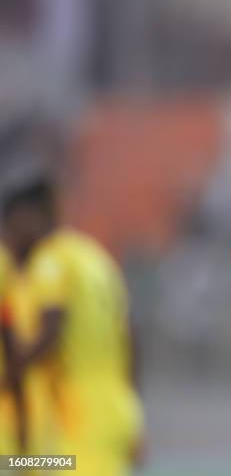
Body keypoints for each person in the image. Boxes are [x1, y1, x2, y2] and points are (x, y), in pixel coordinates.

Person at [0, 178, 143, 475]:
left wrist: (11, 372)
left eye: (11, 228)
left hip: (77, 417)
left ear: (28, 217)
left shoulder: (51, 258)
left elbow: (49, 333)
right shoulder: (95, 257)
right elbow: (130, 337)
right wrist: (135, 415)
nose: (10, 239)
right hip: (116, 409)